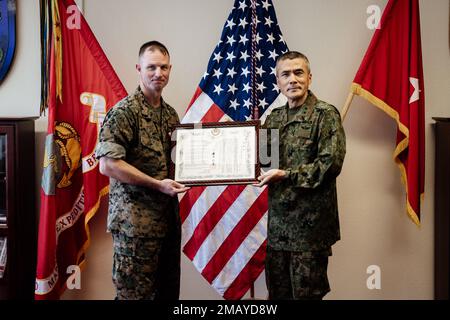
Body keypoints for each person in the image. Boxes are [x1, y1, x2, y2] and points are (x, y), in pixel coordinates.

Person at [95, 41, 189, 300]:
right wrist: (157, 184)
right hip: (135, 228)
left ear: (170, 69)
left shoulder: (170, 115)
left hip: (167, 224)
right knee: (134, 297)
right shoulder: (125, 112)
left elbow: (177, 161)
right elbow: (108, 164)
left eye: (163, 67)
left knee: (167, 294)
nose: (158, 73)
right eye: (151, 67)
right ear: (138, 68)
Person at [255, 51, 346, 300]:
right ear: (278, 82)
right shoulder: (273, 119)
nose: (292, 79)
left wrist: (286, 174)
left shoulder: (325, 115)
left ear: (309, 77)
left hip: (309, 233)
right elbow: (262, 163)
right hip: (278, 232)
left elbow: (330, 165)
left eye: (298, 73)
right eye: (285, 74)